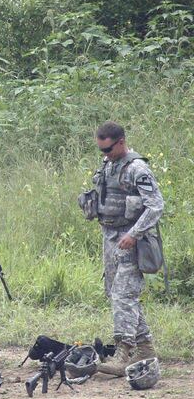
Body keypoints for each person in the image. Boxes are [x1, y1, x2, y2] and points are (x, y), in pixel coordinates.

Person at [82, 121, 163, 374]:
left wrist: (134, 234)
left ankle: (123, 353)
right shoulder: (109, 165)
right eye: (100, 150)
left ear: (121, 142)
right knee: (116, 293)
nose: (104, 155)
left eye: (108, 149)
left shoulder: (138, 168)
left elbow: (156, 206)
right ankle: (145, 346)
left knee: (123, 296)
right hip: (110, 237)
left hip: (130, 242)